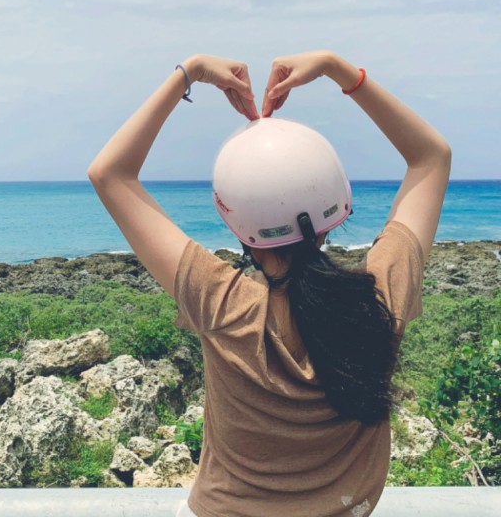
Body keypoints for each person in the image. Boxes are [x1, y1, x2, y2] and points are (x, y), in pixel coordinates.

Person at [88, 51, 450, 517]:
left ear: (238, 228)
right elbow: (431, 157)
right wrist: (338, 69)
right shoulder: (379, 295)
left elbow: (110, 173)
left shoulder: (221, 302)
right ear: (335, 210)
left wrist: (189, 73)